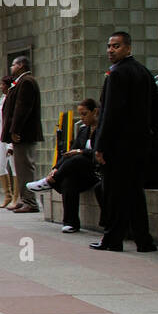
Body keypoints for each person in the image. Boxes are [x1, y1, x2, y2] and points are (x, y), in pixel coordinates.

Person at [91, 31, 158, 252]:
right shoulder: (144, 72)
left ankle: (112, 239)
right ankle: (143, 240)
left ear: (128, 48)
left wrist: (100, 145)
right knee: (134, 192)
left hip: (118, 146)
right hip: (140, 144)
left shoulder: (117, 74)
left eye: (116, 46)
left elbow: (110, 113)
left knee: (114, 194)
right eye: (109, 46)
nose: (111, 50)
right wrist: (150, 128)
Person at [26, 99, 101, 232]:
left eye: (85, 114)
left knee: (78, 158)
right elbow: (68, 154)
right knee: (69, 180)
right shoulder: (84, 131)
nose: (82, 118)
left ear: (94, 112)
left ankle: (48, 182)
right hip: (82, 172)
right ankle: (71, 223)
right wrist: (54, 169)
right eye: (80, 115)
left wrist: (81, 151)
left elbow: (99, 151)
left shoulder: (102, 130)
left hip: (97, 171)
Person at [2, 56, 42, 213]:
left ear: (20, 66)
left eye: (13, 65)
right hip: (21, 133)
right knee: (20, 167)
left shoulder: (26, 82)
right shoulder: (20, 81)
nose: (11, 68)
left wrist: (15, 130)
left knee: (25, 167)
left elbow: (22, 108)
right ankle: (24, 198)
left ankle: (30, 201)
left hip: (24, 133)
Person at [0, 76, 15, 208]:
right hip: (0, 138)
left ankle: (16, 197)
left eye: (2, 84)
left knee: (14, 167)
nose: (0, 87)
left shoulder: (12, 99)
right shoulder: (2, 100)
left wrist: (11, 144)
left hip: (10, 138)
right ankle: (7, 195)